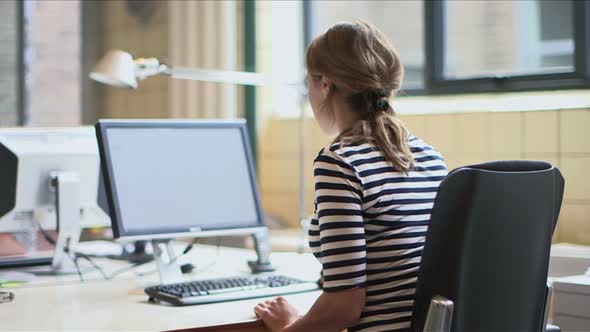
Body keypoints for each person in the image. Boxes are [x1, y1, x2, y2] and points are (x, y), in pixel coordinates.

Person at [254, 21, 448, 332]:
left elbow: (343, 308)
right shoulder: (431, 158)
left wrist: (288, 327)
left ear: (325, 86)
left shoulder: (340, 163)